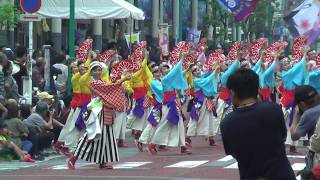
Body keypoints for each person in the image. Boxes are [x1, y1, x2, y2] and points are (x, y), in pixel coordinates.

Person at [220, 68, 295, 179]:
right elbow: (283, 136)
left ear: (232, 92)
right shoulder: (274, 109)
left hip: (251, 174)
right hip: (281, 174)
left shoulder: (227, 122)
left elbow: (231, 151)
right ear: (257, 89)